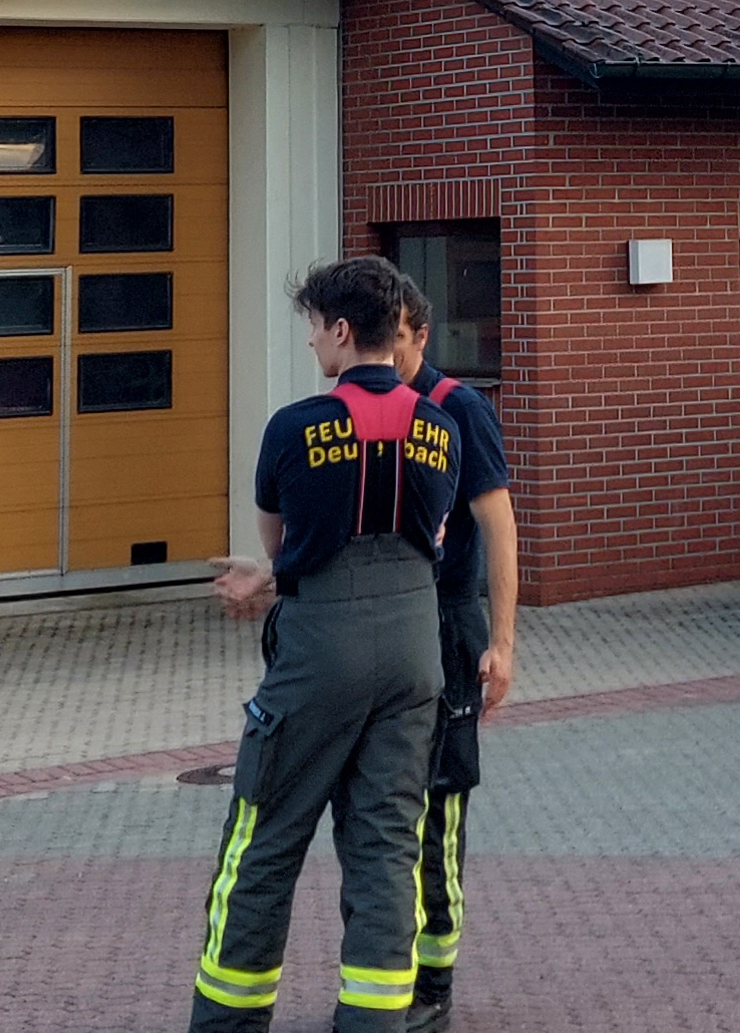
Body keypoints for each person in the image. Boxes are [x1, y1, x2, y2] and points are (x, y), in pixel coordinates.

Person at [194, 258, 454, 1033]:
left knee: (263, 840)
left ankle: (228, 1023)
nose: (310, 342)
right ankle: (374, 1022)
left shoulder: (295, 428)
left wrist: (265, 577)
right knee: (385, 847)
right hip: (415, 646)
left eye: (313, 327)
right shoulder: (441, 426)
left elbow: (279, 546)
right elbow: (432, 536)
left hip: (319, 651)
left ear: (341, 331)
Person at [387, 297, 515, 1033]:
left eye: (399, 343)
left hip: (450, 622)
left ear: (422, 335)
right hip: (391, 627)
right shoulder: (365, 409)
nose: (389, 357)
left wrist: (502, 641)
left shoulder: (459, 409)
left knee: (441, 810)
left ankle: (434, 983)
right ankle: (388, 968)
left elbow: (499, 526)